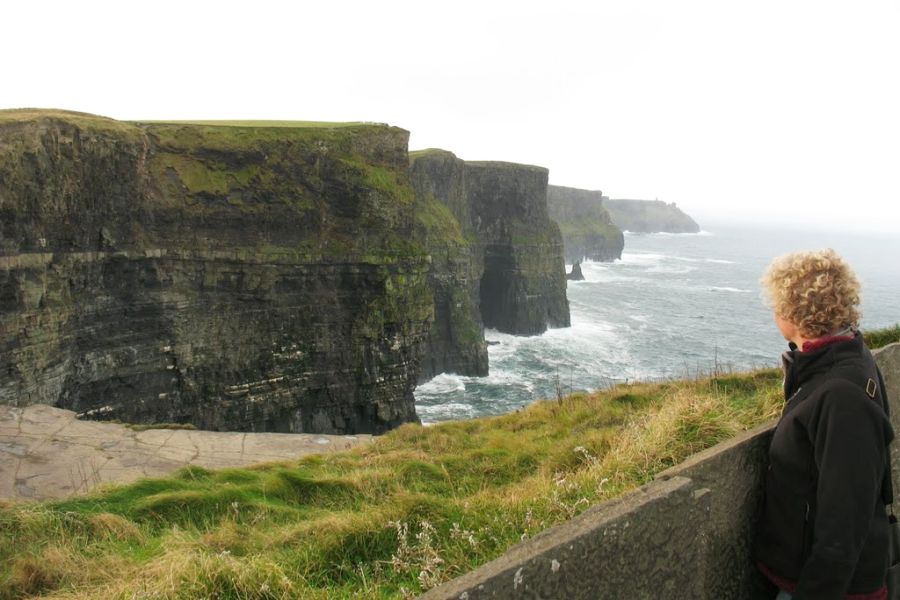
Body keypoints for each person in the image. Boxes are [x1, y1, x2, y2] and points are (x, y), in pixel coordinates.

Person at [755, 248, 894, 600]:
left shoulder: (841, 397)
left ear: (794, 312)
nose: (773, 311)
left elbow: (844, 522)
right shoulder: (847, 356)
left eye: (777, 303)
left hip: (825, 588)